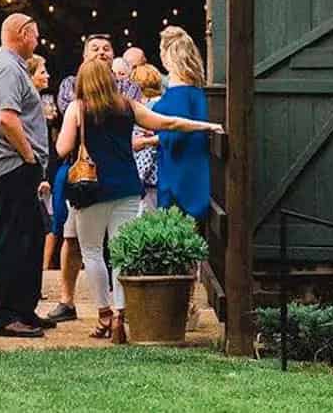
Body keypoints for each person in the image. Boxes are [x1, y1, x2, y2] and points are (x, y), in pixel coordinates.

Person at [55, 59, 222, 344]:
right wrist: (206, 125)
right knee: (121, 252)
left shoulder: (78, 108)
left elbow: (62, 148)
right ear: (110, 80)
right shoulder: (127, 106)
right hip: (127, 189)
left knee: (93, 252)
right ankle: (122, 313)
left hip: (90, 189)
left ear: (82, 81)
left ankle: (104, 314)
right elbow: (168, 123)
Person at [47, 33, 140, 323]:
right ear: (84, 55)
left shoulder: (128, 87)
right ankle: (68, 299)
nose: (101, 52)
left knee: (91, 245)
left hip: (101, 173)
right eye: (95, 48)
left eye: (106, 48)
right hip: (81, 172)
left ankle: (106, 310)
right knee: (70, 237)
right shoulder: (70, 86)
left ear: (113, 54)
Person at [0, 13, 52, 339]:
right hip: (13, 165)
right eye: (35, 36)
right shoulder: (6, 67)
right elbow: (7, 119)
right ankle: (5, 315)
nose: (37, 43)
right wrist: (29, 156)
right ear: (22, 33)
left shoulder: (13, 67)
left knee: (30, 236)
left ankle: (23, 308)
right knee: (12, 237)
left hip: (18, 165)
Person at [155, 27, 212, 221]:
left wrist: (150, 140)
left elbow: (175, 134)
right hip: (196, 165)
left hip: (178, 172)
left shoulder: (178, 91)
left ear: (167, 55)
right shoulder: (196, 89)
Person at [26, 55, 58, 269]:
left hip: (40, 171)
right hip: (30, 171)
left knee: (44, 225)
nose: (47, 75)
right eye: (42, 72)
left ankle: (37, 273)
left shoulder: (41, 101)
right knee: (40, 225)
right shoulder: (29, 103)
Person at [130, 62, 165, 212]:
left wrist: (137, 179)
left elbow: (146, 152)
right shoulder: (163, 102)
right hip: (162, 175)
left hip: (149, 179)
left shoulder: (146, 109)